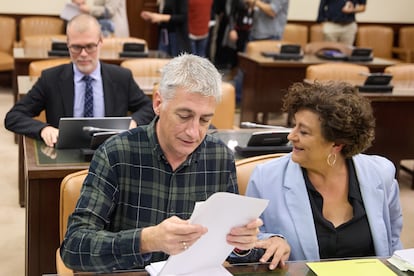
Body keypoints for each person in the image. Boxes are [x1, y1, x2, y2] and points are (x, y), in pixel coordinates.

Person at [59, 53, 264, 272]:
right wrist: (146, 240)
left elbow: (228, 246)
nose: (194, 132)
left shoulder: (220, 158)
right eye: (184, 116)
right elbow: (74, 247)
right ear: (158, 103)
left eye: (205, 120)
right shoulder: (115, 154)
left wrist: (241, 245)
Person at [246, 81, 403, 262]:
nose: (291, 136)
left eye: (303, 132)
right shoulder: (265, 178)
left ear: (336, 144)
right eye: (294, 125)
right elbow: (249, 241)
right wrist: (272, 240)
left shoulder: (381, 174)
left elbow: (392, 244)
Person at [4, 14, 154, 148]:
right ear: (67, 44)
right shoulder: (50, 78)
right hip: (65, 153)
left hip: (111, 153)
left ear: (100, 42)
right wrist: (44, 129)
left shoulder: (121, 77)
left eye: (89, 46)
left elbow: (149, 108)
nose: (83, 54)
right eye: (76, 47)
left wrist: (133, 122)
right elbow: (14, 117)